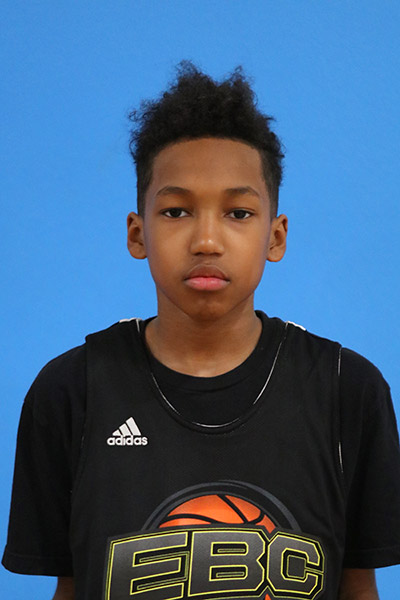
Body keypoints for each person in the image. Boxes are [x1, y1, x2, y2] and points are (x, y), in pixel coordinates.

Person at [3, 60, 400, 600]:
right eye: (176, 212)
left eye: (238, 213)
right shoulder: (71, 391)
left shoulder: (346, 390)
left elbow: (360, 587)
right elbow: (70, 586)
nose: (207, 240)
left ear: (276, 237)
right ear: (137, 233)